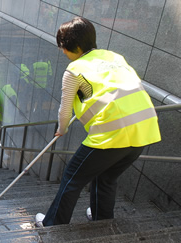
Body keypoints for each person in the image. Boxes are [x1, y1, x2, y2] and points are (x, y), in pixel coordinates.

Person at [35, 17, 161, 227]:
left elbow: (64, 110)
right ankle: (101, 220)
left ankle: (52, 224)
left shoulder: (75, 69)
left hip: (112, 133)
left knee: (71, 178)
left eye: (63, 48)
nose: (63, 52)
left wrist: (62, 129)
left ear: (74, 46)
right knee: (106, 177)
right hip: (144, 129)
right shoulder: (114, 56)